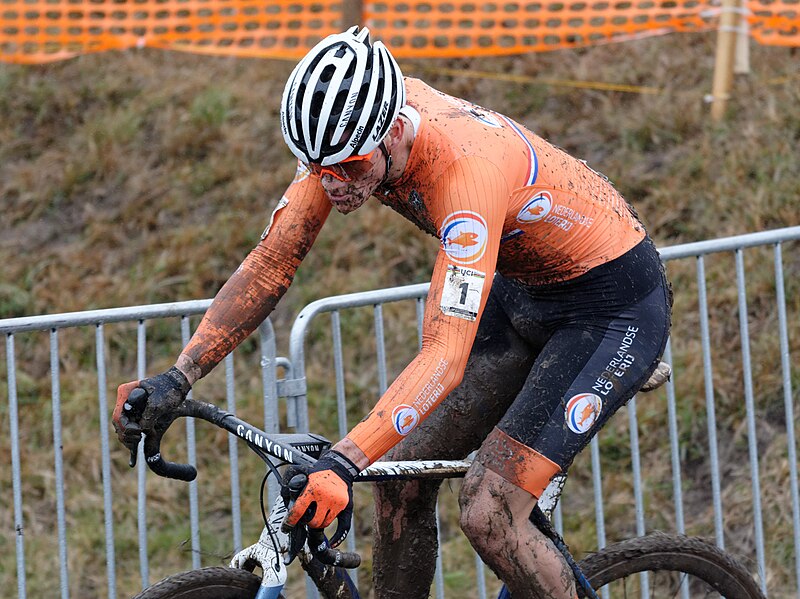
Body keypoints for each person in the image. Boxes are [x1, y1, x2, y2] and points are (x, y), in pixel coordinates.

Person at [113, 26, 672, 599]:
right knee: (400, 477)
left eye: (350, 169)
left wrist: (342, 461)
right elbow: (274, 259)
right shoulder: (347, 134)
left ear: (397, 131)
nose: (334, 186)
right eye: (318, 171)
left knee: (489, 508)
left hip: (610, 312)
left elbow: (445, 355)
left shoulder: (465, 172)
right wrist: (178, 375)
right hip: (524, 291)